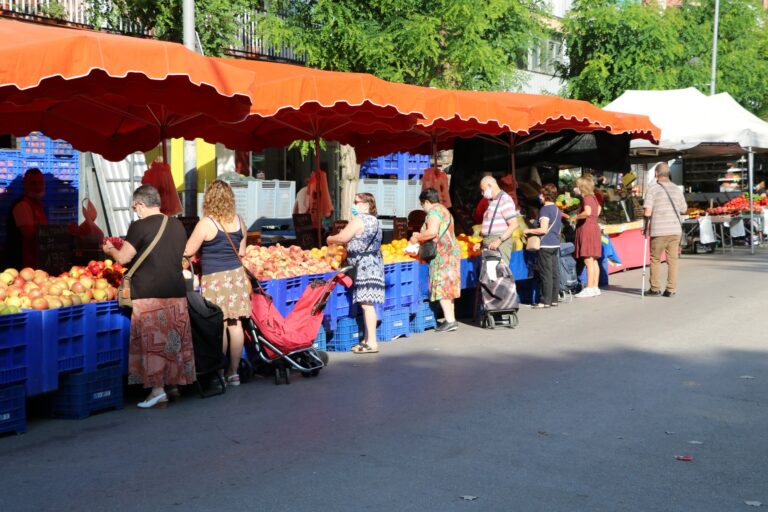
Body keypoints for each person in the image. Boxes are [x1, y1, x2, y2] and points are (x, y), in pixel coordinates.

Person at [102, 185, 195, 409]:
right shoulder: (177, 225)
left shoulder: (139, 226)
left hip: (148, 294)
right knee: (173, 341)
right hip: (176, 292)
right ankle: (173, 385)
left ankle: (157, 390)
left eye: (135, 207)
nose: (135, 211)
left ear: (142, 204)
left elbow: (124, 258)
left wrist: (110, 251)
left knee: (153, 343)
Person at [184, 180, 251, 385]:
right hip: (237, 276)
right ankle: (234, 372)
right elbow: (241, 252)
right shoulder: (239, 221)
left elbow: (187, 251)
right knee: (235, 323)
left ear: (209, 199)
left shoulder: (206, 223)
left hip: (216, 280)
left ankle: (219, 373)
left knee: (219, 324)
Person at [327, 192, 384, 354]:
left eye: (356, 202)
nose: (354, 204)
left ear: (366, 205)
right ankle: (367, 340)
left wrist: (330, 239)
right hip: (374, 264)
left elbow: (343, 238)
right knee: (368, 303)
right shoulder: (376, 221)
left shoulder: (359, 220)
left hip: (364, 266)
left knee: (367, 305)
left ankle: (372, 342)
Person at [410, 188, 461, 332]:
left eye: (422, 205)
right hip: (451, 252)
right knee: (449, 286)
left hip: (441, 254)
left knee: (442, 284)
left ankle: (450, 321)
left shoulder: (434, 212)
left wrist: (417, 237)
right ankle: (451, 318)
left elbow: (432, 232)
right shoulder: (445, 210)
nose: (423, 208)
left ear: (426, 202)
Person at [643, 163, 688, 297]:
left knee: (655, 259)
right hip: (675, 230)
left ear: (656, 174)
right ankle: (671, 289)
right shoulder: (676, 189)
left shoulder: (652, 189)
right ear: (668, 174)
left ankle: (655, 288)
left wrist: (644, 226)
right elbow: (684, 209)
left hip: (659, 230)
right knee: (672, 259)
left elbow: (647, 212)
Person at [524, 183, 562, 309]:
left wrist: (528, 231)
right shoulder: (557, 209)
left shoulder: (545, 210)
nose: (539, 196)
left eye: (541, 194)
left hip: (545, 245)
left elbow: (543, 229)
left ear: (545, 196)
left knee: (546, 273)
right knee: (554, 272)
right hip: (555, 243)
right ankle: (554, 299)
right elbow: (558, 229)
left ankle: (545, 300)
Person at [7, 168, 48, 269]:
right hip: (23, 266)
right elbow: (28, 234)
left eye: (40, 182)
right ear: (25, 185)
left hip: (35, 264)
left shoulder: (38, 204)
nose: (37, 187)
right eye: (33, 183)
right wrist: (60, 232)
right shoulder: (22, 205)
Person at [478, 176, 519, 266]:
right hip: (490, 243)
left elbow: (514, 224)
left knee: (500, 276)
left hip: (498, 244)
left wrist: (499, 241)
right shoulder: (493, 201)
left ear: (489, 185)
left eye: (483, 190)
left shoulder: (504, 199)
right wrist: (482, 243)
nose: (482, 193)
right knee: (491, 276)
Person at [573, 176, 602, 298]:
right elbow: (598, 210)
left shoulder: (587, 198)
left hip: (587, 229)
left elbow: (588, 212)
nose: (576, 188)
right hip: (594, 228)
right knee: (594, 260)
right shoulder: (594, 197)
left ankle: (589, 287)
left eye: (577, 185)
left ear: (582, 187)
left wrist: (576, 217)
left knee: (588, 260)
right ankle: (595, 287)